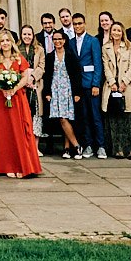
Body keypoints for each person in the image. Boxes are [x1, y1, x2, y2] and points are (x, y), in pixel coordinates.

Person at [0, 33, 41, 178]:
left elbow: (25, 77)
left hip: (17, 99)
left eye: (7, 40)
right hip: (0, 99)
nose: (5, 43)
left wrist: (14, 88)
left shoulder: (19, 58)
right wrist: (2, 88)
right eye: (2, 41)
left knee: (18, 131)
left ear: (12, 42)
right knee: (4, 132)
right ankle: (6, 165)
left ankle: (20, 164)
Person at [101, 19, 131, 158]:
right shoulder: (106, 47)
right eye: (113, 30)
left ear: (122, 32)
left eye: (118, 30)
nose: (116, 33)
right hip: (112, 87)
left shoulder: (129, 46)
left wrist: (124, 82)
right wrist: (112, 82)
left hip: (127, 87)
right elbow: (105, 66)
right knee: (116, 119)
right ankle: (119, 149)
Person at [66, 13, 105, 159]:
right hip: (78, 85)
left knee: (95, 116)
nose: (77, 26)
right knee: (84, 117)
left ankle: (100, 146)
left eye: (79, 23)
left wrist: (96, 83)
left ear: (84, 24)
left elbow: (97, 63)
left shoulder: (93, 41)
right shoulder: (70, 42)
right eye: (75, 24)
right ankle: (88, 145)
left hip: (91, 84)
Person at [42, 15, 81, 158]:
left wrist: (77, 92)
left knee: (65, 118)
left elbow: (77, 74)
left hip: (68, 90)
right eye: (55, 39)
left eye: (60, 39)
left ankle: (76, 146)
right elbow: (47, 76)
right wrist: (47, 92)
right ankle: (67, 148)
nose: (57, 41)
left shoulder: (70, 55)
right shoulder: (50, 56)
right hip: (55, 90)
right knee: (61, 118)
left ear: (64, 41)